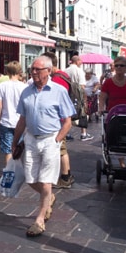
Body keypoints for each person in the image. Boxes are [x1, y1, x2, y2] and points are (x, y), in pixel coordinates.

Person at [12, 55, 75, 238]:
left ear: (48, 71)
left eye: (37, 69)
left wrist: (57, 140)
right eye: (32, 69)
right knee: (31, 179)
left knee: (46, 181)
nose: (33, 72)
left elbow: (67, 122)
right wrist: (15, 142)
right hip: (31, 138)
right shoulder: (27, 91)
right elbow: (22, 120)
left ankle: (39, 219)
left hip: (50, 139)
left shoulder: (58, 91)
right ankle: (49, 199)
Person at [99, 56, 126, 167]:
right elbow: (102, 97)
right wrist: (100, 108)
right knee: (114, 134)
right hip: (114, 112)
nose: (118, 67)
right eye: (116, 65)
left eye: (121, 65)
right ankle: (121, 161)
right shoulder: (108, 82)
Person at [43, 52, 74, 189]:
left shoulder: (57, 79)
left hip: (60, 119)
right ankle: (66, 174)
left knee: (61, 148)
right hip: (62, 117)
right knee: (62, 148)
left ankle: (65, 177)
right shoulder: (63, 75)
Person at [0, 61, 27, 164]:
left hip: (6, 120)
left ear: (7, 71)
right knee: (19, 148)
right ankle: (18, 173)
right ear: (19, 72)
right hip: (20, 122)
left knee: (8, 150)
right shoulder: (24, 87)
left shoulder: (2, 85)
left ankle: (9, 172)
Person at [65, 55, 92, 141]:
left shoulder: (66, 70)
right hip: (77, 94)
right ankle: (83, 134)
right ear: (77, 61)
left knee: (67, 113)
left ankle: (67, 134)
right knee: (82, 112)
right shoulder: (78, 71)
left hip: (67, 94)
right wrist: (84, 97)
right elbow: (82, 86)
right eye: (80, 61)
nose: (81, 63)